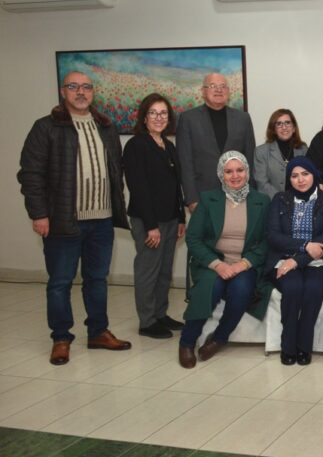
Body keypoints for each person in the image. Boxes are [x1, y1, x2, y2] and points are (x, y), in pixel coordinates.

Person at [18, 71, 133, 366]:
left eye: (86, 87)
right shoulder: (46, 127)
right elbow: (30, 174)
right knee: (60, 282)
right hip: (62, 221)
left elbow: (115, 170)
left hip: (102, 220)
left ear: (93, 92)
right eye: (73, 86)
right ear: (63, 91)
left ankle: (98, 332)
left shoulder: (106, 127)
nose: (80, 92)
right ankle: (61, 338)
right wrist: (39, 214)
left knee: (97, 279)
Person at [179, 151, 270, 368]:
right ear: (221, 174)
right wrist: (217, 265)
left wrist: (243, 264)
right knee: (211, 287)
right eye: (229, 171)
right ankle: (187, 342)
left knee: (241, 289)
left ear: (247, 172)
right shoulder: (208, 200)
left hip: (246, 264)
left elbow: (267, 241)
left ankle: (219, 338)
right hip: (212, 263)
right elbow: (193, 238)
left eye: (240, 170)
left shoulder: (262, 201)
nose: (235, 176)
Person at [266, 157, 323, 365]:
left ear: (314, 175)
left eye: (305, 174)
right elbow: (273, 236)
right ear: (289, 179)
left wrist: (297, 261)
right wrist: (305, 246)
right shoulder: (280, 199)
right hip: (284, 259)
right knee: (292, 288)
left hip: (321, 260)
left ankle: (304, 346)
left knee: (313, 288)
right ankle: (288, 345)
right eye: (294, 176)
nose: (300, 180)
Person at [122, 92, 186, 339]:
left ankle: (160, 314)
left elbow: (176, 185)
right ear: (144, 117)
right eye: (153, 113)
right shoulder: (136, 146)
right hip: (148, 221)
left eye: (163, 113)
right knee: (148, 271)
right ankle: (147, 321)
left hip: (170, 219)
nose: (159, 118)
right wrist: (151, 226)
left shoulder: (168, 146)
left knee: (164, 271)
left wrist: (181, 218)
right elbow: (138, 188)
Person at [176, 73, 256, 212]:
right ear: (203, 91)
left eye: (223, 86)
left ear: (228, 91)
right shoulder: (188, 119)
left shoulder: (243, 118)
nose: (219, 90)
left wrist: (250, 192)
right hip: (203, 195)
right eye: (213, 86)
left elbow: (249, 158)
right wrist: (191, 198)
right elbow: (185, 162)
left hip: (237, 194)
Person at [254, 109, 307, 198]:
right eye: (279, 124)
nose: (284, 127)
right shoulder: (261, 152)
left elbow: (308, 179)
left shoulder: (304, 150)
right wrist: (282, 199)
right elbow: (262, 183)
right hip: (273, 201)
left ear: (294, 128)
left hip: (300, 200)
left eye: (287, 123)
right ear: (273, 129)